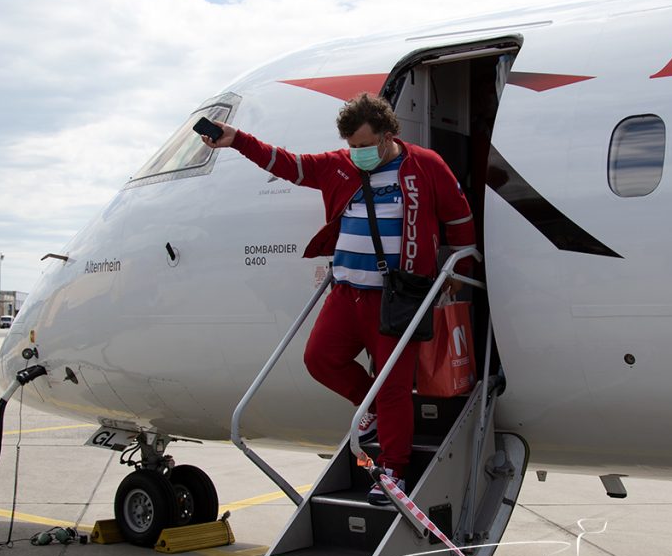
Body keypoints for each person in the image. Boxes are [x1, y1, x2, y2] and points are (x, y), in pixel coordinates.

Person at [202, 92, 476, 504]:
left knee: (394, 386)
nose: (358, 153)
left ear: (388, 135)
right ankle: (373, 411)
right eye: (352, 146)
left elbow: (460, 219)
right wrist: (236, 139)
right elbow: (288, 164)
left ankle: (393, 473)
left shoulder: (424, 166)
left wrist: (459, 274)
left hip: (397, 296)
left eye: (365, 145)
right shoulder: (340, 165)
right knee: (319, 359)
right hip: (346, 292)